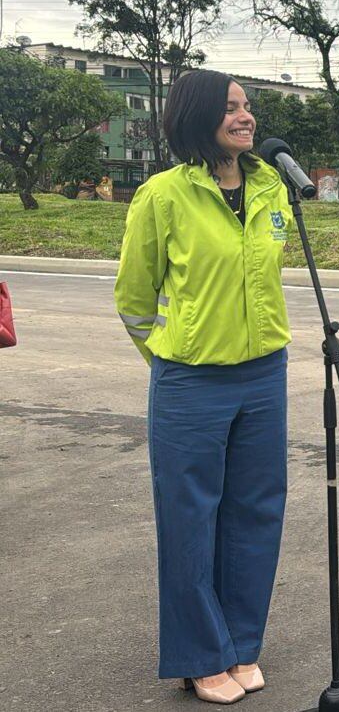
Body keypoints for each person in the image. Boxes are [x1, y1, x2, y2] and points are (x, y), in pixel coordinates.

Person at [114, 70, 291, 705]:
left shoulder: (271, 187)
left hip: (265, 374)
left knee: (257, 513)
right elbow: (134, 299)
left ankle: (241, 643)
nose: (245, 118)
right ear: (198, 118)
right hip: (190, 382)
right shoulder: (162, 196)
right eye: (231, 109)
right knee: (190, 521)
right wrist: (173, 356)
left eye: (247, 108)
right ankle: (199, 656)